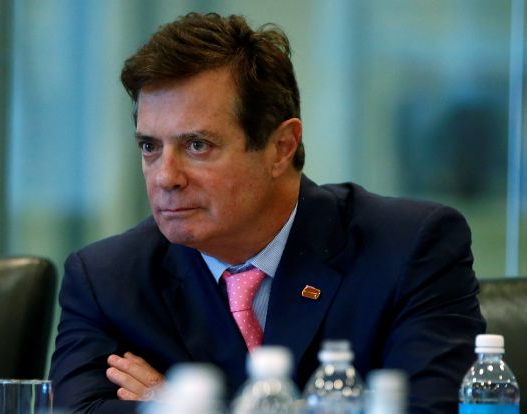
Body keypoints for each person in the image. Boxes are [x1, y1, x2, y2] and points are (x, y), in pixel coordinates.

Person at [49, 12, 485, 414]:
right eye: (150, 147)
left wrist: (182, 405)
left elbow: (430, 409)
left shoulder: (409, 248)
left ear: (281, 148)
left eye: (197, 146)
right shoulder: (107, 280)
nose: (166, 177)